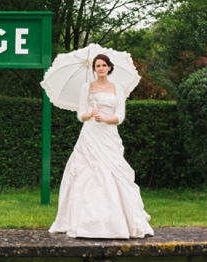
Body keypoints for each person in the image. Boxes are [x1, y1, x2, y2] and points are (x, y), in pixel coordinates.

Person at [49, 54, 154, 239]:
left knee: (113, 172)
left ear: (109, 67)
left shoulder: (118, 89)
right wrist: (90, 114)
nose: (101, 68)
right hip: (90, 134)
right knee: (87, 173)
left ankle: (118, 222)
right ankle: (85, 222)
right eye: (97, 65)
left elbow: (120, 116)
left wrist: (105, 118)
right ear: (94, 69)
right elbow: (80, 113)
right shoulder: (86, 88)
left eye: (104, 65)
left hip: (109, 134)